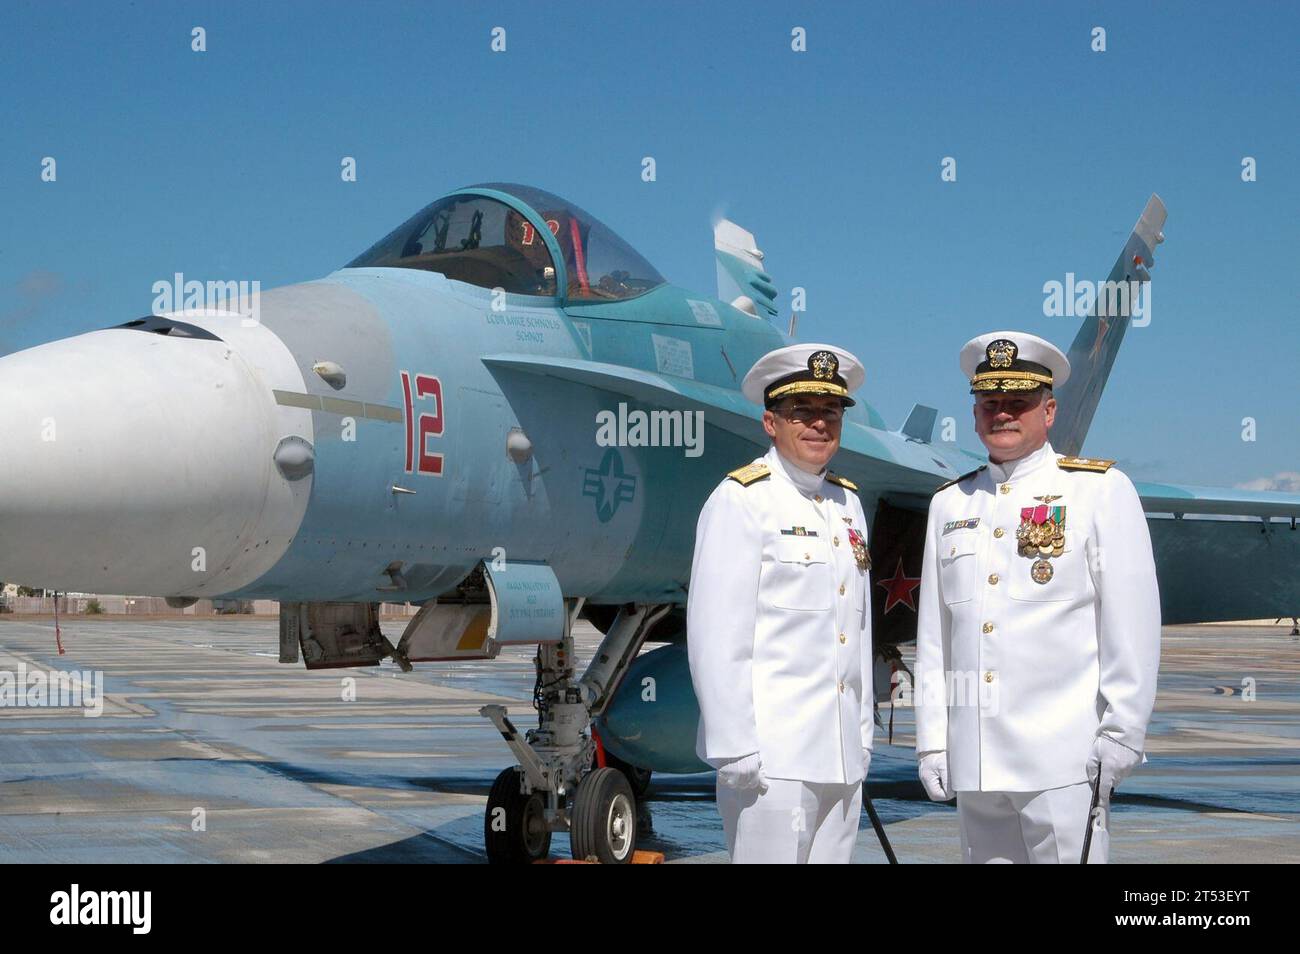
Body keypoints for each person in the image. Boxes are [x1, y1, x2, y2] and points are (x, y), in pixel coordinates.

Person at [914, 331, 1161, 863]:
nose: (1003, 413)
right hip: (977, 762)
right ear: (975, 415)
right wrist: (933, 739)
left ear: (1048, 411)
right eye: (990, 402)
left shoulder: (1098, 491)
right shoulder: (950, 503)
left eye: (1018, 402)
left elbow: (1131, 625)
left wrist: (1123, 732)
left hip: (1064, 760)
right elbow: (936, 637)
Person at [687, 343, 873, 864]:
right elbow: (716, 633)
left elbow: (857, 631)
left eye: (830, 411)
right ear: (771, 423)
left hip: (841, 755)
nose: (819, 423)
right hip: (773, 758)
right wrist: (734, 744)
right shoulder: (743, 499)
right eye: (801, 412)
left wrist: (861, 736)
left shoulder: (847, 503)